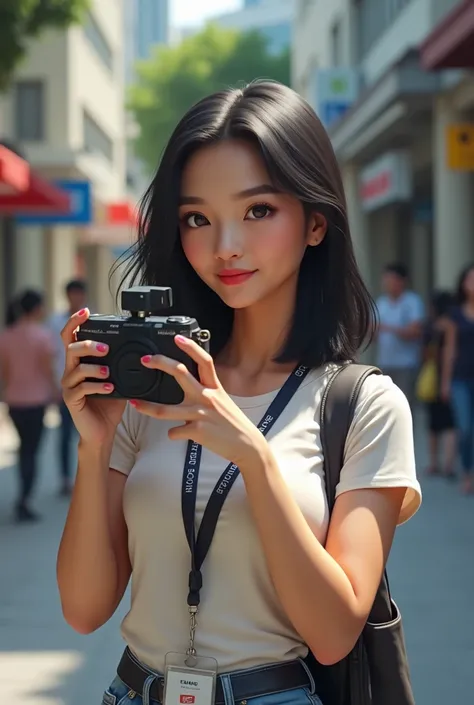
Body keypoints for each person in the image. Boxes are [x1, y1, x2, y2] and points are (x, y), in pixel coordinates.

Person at [56, 81, 421, 705]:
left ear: (314, 223)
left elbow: (335, 633)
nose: (225, 246)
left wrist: (253, 456)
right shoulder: (154, 390)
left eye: (257, 211)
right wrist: (94, 448)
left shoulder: (362, 405)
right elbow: (86, 609)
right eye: (197, 218)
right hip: (137, 691)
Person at [0, 289, 57, 521]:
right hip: (36, 400)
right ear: (35, 309)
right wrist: (56, 392)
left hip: (14, 400)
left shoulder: (6, 336)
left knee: (24, 449)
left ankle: (23, 496)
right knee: (31, 451)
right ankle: (25, 498)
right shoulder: (42, 336)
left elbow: (4, 373)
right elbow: (47, 370)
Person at [49, 279, 87, 496]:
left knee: (87, 435)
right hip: (65, 386)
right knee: (64, 435)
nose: (76, 298)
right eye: (72, 294)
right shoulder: (55, 322)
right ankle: (65, 478)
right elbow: (51, 356)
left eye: (78, 294)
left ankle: (85, 477)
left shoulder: (94, 320)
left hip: (88, 385)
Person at [441, 264, 474, 495]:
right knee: (464, 428)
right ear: (463, 284)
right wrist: (445, 382)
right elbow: (449, 350)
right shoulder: (455, 313)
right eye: (470, 278)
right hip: (461, 379)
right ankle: (467, 473)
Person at [375, 264, 425, 409]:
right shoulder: (381, 303)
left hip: (406, 364)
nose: (386, 283)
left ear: (401, 281)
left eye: (390, 279)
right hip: (385, 363)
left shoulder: (412, 301)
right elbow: (375, 335)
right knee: (386, 405)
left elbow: (415, 332)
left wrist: (387, 328)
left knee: (405, 405)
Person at [422, 291, 457, 478]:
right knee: (450, 424)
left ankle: (434, 463)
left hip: (434, 377)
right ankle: (449, 465)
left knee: (433, 423)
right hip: (450, 377)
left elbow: (426, 353)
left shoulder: (431, 327)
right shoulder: (452, 325)